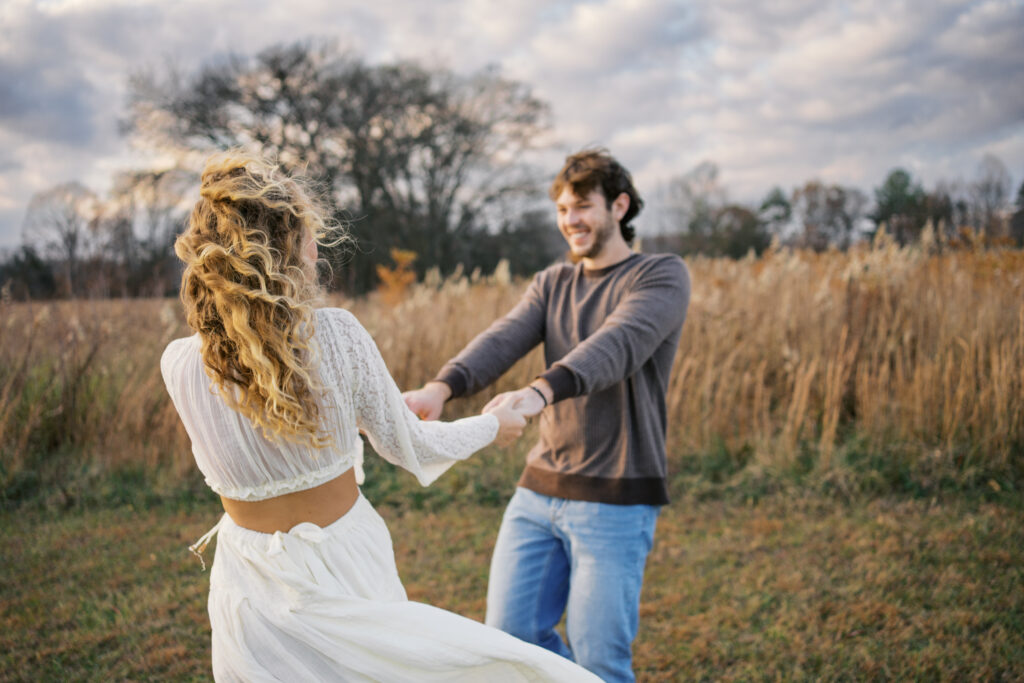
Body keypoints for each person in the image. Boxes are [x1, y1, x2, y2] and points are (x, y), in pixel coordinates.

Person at [160, 150, 600, 681]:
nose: (315, 246)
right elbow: (411, 444)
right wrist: (494, 425)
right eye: (307, 233)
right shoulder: (337, 336)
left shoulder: (178, 363)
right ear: (284, 247)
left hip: (249, 576)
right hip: (343, 563)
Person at [403, 148, 691, 682]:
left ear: (619, 206)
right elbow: (504, 338)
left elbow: (618, 344)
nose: (570, 221)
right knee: (511, 644)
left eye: (582, 206)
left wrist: (538, 393)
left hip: (616, 497)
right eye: (562, 209)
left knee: (600, 659)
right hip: (539, 491)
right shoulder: (553, 283)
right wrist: (441, 389)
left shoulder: (660, 276)